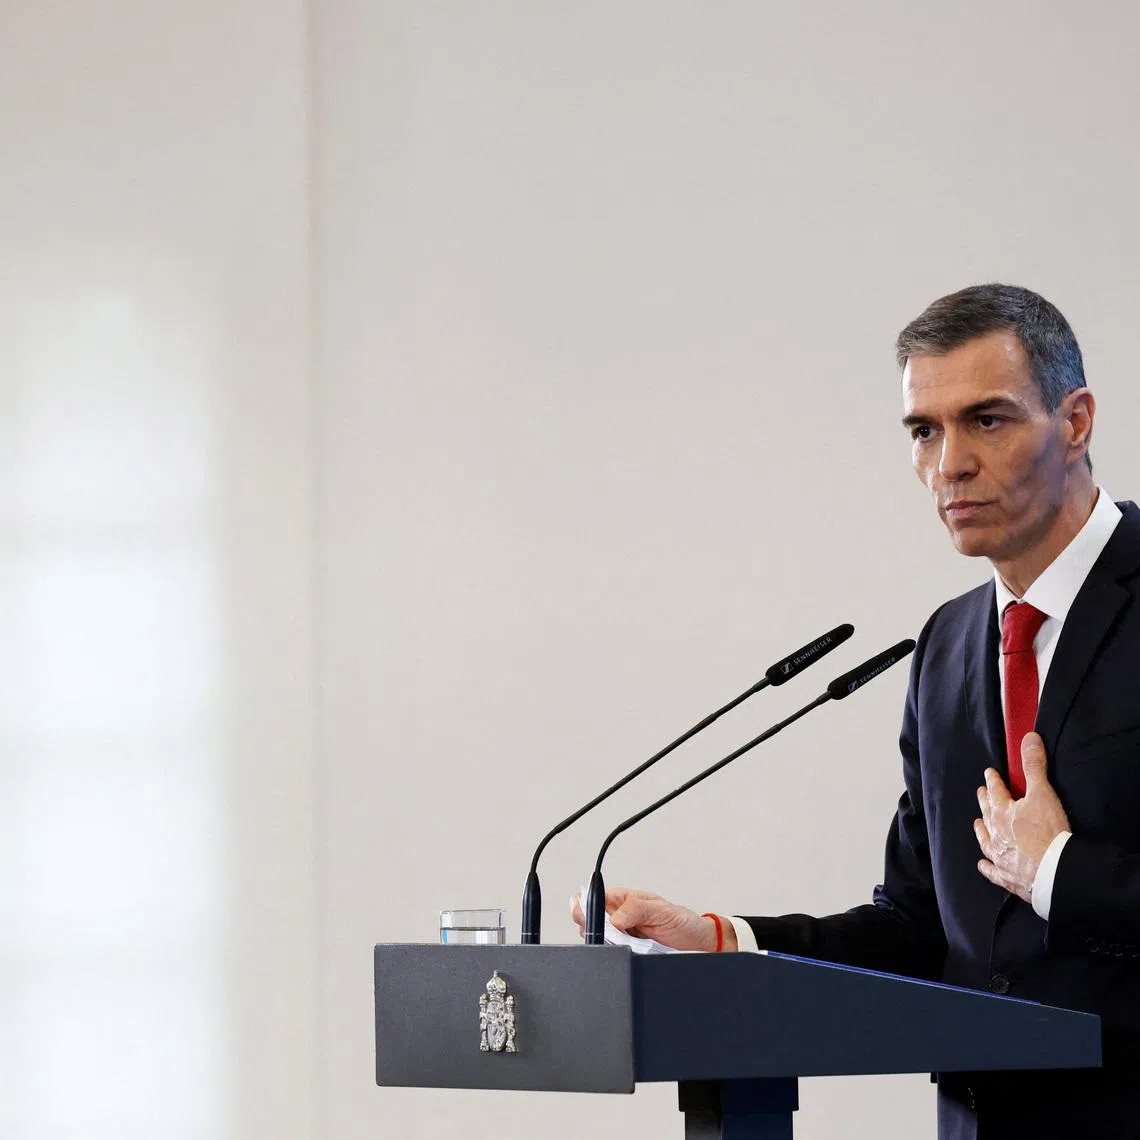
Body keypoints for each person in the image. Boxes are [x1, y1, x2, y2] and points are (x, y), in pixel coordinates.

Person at [571, 284, 1140, 1139]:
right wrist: (726, 943)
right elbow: (916, 927)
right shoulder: (946, 650)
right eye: (924, 430)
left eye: (986, 420)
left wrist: (1056, 870)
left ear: (1076, 421)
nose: (949, 463)